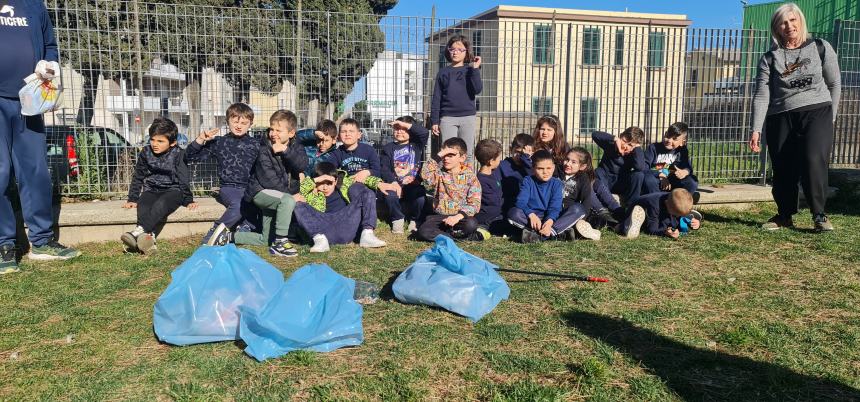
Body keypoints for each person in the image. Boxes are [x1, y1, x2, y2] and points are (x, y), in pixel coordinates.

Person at [1, 1, 81, 273]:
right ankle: (4, 247)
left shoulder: (34, 4)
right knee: (0, 172)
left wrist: (49, 64)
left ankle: (42, 241)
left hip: (30, 101)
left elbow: (50, 45)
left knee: (35, 171)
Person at [748, 3, 841, 232]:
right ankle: (784, 215)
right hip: (780, 116)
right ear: (776, 28)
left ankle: (819, 214)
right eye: (783, 22)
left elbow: (834, 83)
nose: (789, 26)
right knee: (783, 167)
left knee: (812, 160)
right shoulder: (770, 58)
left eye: (793, 20)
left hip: (817, 111)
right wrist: (756, 129)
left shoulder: (820, 47)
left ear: (800, 21)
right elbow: (761, 95)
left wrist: (831, 117)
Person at [186, 102, 260, 245]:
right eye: (235, 122)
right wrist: (200, 140)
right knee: (240, 204)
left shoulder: (256, 144)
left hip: (250, 187)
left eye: (244, 123)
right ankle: (214, 232)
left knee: (258, 203)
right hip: (229, 188)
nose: (239, 126)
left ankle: (244, 228)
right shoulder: (220, 142)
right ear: (228, 121)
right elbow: (190, 156)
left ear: (250, 124)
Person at [121, 117, 198, 254]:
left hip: (173, 191)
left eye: (160, 141)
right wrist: (133, 198)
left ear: (173, 142)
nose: (155, 144)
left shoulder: (179, 154)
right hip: (152, 189)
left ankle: (137, 232)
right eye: (152, 139)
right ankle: (149, 241)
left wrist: (188, 200)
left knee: (161, 204)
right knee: (143, 206)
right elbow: (138, 175)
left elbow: (183, 178)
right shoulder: (145, 152)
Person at [237, 110, 307, 257]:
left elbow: (301, 165)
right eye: (271, 129)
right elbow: (269, 179)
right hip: (260, 192)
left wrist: (286, 151)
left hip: (278, 195)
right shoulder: (264, 149)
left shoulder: (296, 147)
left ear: (291, 133)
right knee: (287, 201)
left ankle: (228, 237)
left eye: (278, 130)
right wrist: (290, 196)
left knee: (266, 238)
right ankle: (281, 243)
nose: (273, 133)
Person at [292, 162, 386, 252]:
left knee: (365, 192)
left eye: (329, 183)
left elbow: (363, 179)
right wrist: (316, 180)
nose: (325, 188)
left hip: (347, 223)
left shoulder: (343, 184)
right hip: (322, 229)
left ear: (335, 180)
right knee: (298, 203)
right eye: (321, 183)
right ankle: (320, 241)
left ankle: (368, 234)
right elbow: (297, 192)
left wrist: (380, 184)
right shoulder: (310, 192)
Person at [507, 150, 591, 243]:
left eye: (548, 168)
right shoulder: (528, 181)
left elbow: (555, 206)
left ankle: (541, 235)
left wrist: (550, 221)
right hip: (533, 217)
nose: (545, 172)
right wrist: (531, 215)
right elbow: (521, 201)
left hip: (553, 218)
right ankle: (557, 235)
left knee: (578, 209)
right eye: (540, 168)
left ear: (553, 167)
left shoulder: (557, 183)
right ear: (533, 169)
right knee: (513, 213)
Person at [415, 138, 482, 242]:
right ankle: (456, 237)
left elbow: (474, 203)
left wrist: (458, 217)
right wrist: (439, 155)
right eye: (444, 155)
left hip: (460, 217)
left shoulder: (471, 177)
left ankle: (446, 234)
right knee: (423, 231)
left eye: (450, 155)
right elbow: (425, 175)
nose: (446, 158)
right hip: (439, 217)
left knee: (471, 224)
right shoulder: (438, 174)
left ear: (462, 158)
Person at [430, 34, 483, 161]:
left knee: (466, 153)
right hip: (448, 118)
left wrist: (475, 69)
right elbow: (436, 98)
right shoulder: (443, 72)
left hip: (468, 117)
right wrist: (435, 121)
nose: (455, 52)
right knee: (448, 152)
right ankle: (447, 180)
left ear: (466, 51)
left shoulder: (470, 70)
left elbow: (477, 89)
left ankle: (466, 180)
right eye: (452, 49)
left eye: (460, 49)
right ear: (448, 51)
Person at [379, 116, 429, 234]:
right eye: (397, 128)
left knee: (421, 198)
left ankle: (415, 220)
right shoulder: (388, 148)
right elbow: (384, 168)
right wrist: (393, 182)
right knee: (389, 196)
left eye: (404, 128)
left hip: (412, 185)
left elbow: (424, 132)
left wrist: (405, 124)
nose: (400, 131)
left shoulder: (416, 145)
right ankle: (397, 219)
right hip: (395, 184)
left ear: (410, 130)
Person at [592, 126, 647, 207]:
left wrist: (637, 148)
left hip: (621, 182)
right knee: (598, 171)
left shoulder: (634, 153)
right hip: (605, 181)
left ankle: (631, 206)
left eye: (630, 145)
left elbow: (640, 167)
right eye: (624, 141)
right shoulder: (611, 144)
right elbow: (595, 134)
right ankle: (606, 204)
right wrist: (615, 139)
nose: (625, 146)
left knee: (639, 175)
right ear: (620, 136)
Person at [619, 189, 702, 240]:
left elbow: (677, 215)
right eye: (677, 215)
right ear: (666, 204)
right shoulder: (655, 205)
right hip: (636, 210)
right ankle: (625, 226)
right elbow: (652, 229)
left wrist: (694, 224)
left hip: (663, 210)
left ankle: (688, 216)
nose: (677, 216)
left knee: (674, 220)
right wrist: (664, 232)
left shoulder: (671, 202)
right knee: (667, 221)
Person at [643, 122, 698, 195]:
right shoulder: (653, 148)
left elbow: (688, 167)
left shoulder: (682, 150)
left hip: (674, 180)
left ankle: (681, 200)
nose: (669, 140)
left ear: (682, 142)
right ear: (665, 134)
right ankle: (657, 201)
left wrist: (684, 172)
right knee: (648, 180)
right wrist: (661, 175)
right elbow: (645, 168)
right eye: (668, 136)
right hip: (657, 180)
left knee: (692, 182)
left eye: (674, 139)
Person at [561, 147, 601, 240]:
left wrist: (583, 220)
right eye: (567, 159)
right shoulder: (557, 173)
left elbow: (586, 201)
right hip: (555, 210)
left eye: (573, 162)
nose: (568, 163)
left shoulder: (583, 179)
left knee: (581, 211)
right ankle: (570, 232)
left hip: (570, 212)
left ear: (582, 167)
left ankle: (584, 228)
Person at [473, 139, 506, 239]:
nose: (500, 160)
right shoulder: (481, 180)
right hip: (487, 217)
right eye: (499, 158)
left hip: (497, 215)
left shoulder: (494, 173)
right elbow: (494, 201)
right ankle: (482, 230)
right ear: (491, 161)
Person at [499, 133, 534, 217]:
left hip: (529, 206)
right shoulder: (503, 165)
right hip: (508, 205)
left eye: (523, 154)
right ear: (511, 149)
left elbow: (535, 181)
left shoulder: (532, 168)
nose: (520, 156)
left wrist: (527, 162)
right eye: (517, 152)